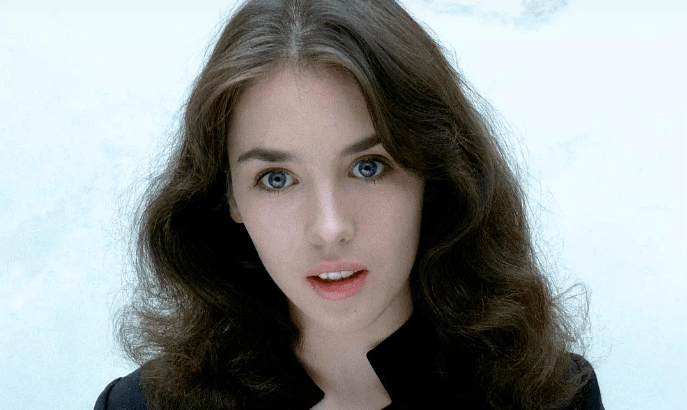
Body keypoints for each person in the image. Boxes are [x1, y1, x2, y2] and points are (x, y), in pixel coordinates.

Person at [95, 0, 604, 409]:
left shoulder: (551, 397)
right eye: (276, 179)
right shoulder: (140, 406)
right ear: (228, 196)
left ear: (435, 172)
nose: (329, 227)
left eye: (368, 167)